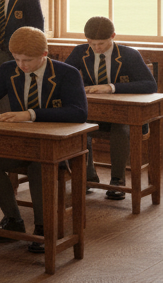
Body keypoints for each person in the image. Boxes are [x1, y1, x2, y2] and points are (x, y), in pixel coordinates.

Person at [0, 26, 87, 253]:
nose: (22, 65)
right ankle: (13, 219)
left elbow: (79, 112)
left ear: (44, 54)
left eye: (28, 60)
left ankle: (43, 227)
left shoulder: (67, 73)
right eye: (17, 59)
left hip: (57, 146)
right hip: (21, 143)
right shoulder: (8, 69)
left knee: (39, 166)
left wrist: (30, 114)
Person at [66, 16, 155, 200]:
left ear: (113, 36)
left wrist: (111, 87)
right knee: (78, 126)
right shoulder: (80, 52)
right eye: (91, 43)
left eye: (101, 43)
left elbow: (150, 85)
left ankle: (117, 181)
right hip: (94, 113)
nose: (96, 48)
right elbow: (62, 76)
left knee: (120, 129)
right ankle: (87, 177)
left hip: (127, 117)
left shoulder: (129, 55)